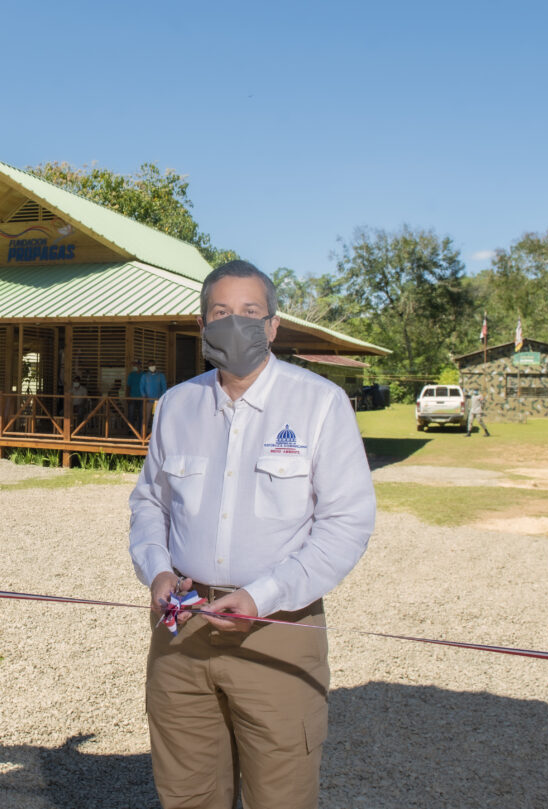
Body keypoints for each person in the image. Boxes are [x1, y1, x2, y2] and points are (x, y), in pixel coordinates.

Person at [128, 260, 375, 809]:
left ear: (272, 327)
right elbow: (150, 501)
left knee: (280, 794)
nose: (234, 324)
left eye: (249, 313)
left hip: (276, 628)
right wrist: (158, 569)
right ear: (201, 325)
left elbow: (347, 520)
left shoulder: (318, 404)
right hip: (182, 626)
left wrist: (261, 596)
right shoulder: (177, 405)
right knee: (186, 792)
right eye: (220, 313)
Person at [126, 361, 144, 433]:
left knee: (141, 414)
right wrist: (127, 397)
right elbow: (128, 386)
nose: (136, 367)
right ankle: (131, 429)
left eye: (137, 365)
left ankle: (140, 430)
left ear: (140, 366)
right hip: (132, 397)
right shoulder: (131, 375)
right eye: (135, 365)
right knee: (131, 414)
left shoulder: (144, 375)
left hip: (142, 397)